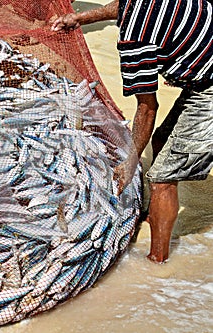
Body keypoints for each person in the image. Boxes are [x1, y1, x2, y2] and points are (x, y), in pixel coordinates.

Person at [51, 0, 213, 263]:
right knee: (161, 139)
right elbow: (123, 5)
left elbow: (147, 108)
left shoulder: (135, 38)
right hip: (203, 70)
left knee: (161, 178)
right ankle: (154, 213)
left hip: (208, 83)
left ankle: (157, 263)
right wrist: (80, 19)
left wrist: (130, 161)